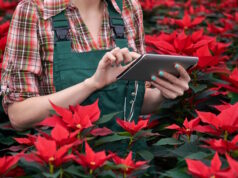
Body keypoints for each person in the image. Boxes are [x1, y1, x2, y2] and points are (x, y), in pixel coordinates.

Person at [1, 0, 190, 131]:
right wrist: (92, 84)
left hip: (125, 162)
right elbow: (19, 115)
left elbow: (133, 102)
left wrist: (162, 94)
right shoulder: (33, 11)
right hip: (66, 164)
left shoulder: (128, 8)